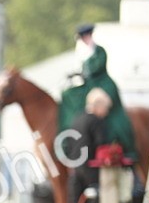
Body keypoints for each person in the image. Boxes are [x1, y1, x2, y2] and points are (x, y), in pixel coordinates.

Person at [59, 24, 137, 164]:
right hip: (88, 84)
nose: (85, 39)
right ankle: (69, 129)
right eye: (83, 37)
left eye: (87, 36)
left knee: (104, 102)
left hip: (102, 82)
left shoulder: (99, 50)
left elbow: (96, 68)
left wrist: (84, 72)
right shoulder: (83, 52)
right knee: (67, 94)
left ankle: (119, 136)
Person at [64, 87, 112, 203]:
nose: (107, 111)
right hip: (91, 167)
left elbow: (69, 143)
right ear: (97, 105)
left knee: (73, 201)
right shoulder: (96, 122)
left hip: (75, 166)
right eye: (106, 107)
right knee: (95, 197)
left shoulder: (76, 119)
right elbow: (101, 144)